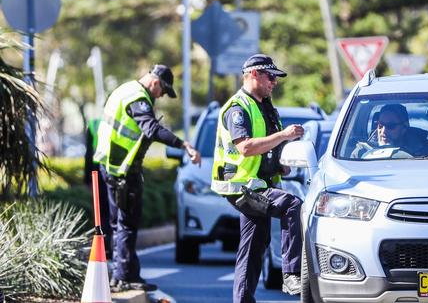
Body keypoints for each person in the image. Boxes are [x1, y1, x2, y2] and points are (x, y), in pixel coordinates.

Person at [93, 64, 201, 292]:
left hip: (111, 165)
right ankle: (122, 276)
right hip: (121, 169)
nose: (161, 96)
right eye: (163, 91)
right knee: (126, 223)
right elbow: (151, 129)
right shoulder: (138, 98)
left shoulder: (125, 89)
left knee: (119, 222)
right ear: (156, 82)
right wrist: (183, 144)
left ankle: (128, 273)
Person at [211, 54, 304, 303]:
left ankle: (243, 300)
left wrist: (279, 166)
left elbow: (266, 149)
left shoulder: (265, 105)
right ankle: (292, 273)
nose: (274, 82)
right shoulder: (238, 108)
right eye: (270, 76)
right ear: (254, 74)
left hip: (258, 184)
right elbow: (246, 148)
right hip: (242, 186)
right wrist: (284, 135)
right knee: (292, 205)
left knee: (253, 248)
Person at [352, 103, 427, 158]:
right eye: (380, 125)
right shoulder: (361, 151)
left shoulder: (425, 154)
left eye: (390, 126)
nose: (383, 131)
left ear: (404, 127)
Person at [84, 118, 112, 259]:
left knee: (100, 210)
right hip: (113, 168)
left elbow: (88, 151)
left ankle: (104, 245)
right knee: (111, 209)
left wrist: (87, 178)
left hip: (96, 168)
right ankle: (110, 245)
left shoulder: (94, 124)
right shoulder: (117, 121)